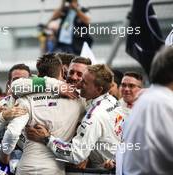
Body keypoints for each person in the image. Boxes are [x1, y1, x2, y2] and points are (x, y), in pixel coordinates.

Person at [1, 53, 87, 175]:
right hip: (53, 169)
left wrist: (5, 156)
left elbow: (12, 132)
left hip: (26, 168)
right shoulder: (78, 99)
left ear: (38, 73)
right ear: (62, 71)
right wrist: (86, 154)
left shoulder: (25, 98)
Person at [26, 64, 125, 168]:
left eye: (84, 83)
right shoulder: (113, 101)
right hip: (118, 164)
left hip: (105, 170)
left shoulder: (95, 116)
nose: (79, 84)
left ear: (99, 89)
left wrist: (47, 138)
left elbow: (76, 154)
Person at [117, 46, 173, 174]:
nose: (126, 89)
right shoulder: (164, 103)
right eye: (124, 85)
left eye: (131, 85)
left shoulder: (147, 100)